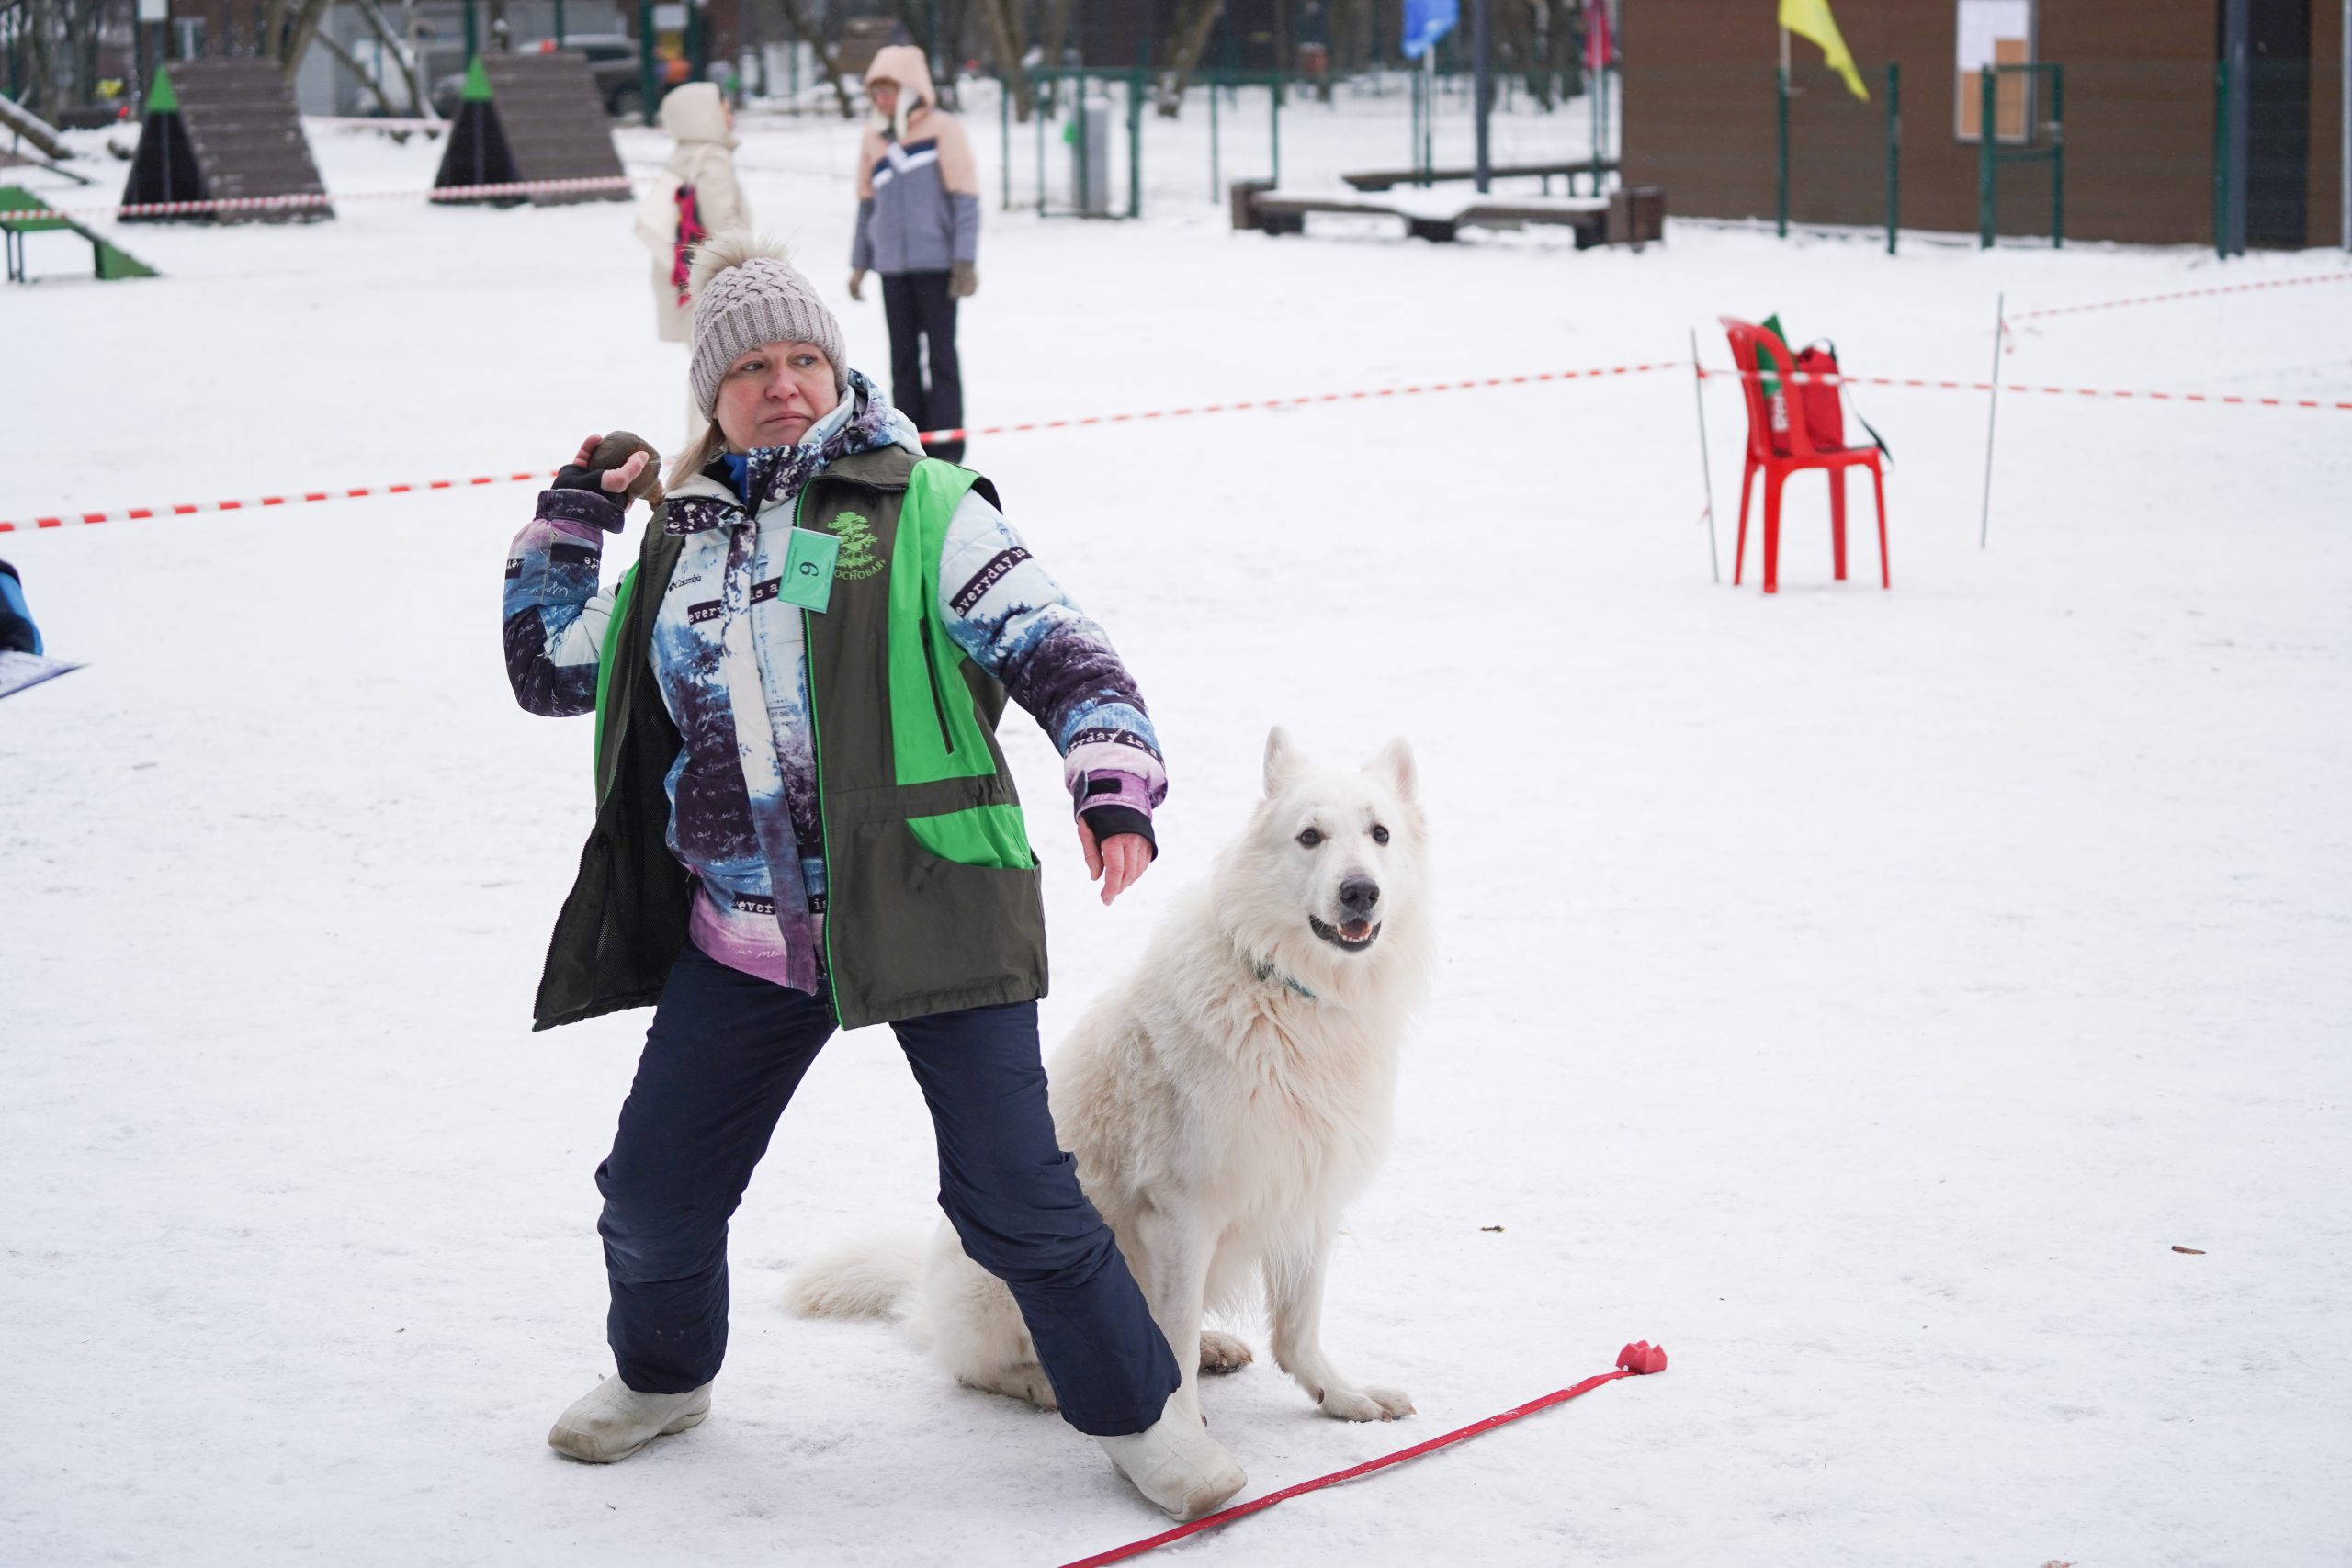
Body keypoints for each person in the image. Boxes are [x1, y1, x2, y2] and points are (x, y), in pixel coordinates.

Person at [500, 233, 1246, 1521]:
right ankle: (665, 1376)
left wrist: (1110, 775)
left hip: (934, 908)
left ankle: (1140, 1409)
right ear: (714, 392)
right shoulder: (684, 544)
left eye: (804, 357)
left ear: (838, 369)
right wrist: (576, 509)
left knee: (1017, 1200)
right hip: (742, 932)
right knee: (653, 1194)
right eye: (751, 366)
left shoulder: (927, 507)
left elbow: (1060, 644)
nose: (782, 383)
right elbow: (553, 668)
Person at [847, 45, 978, 464]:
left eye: (889, 91)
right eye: (876, 92)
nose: (881, 100)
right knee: (901, 355)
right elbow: (867, 204)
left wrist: (964, 259)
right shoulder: (873, 137)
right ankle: (912, 441)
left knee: (941, 354)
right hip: (893, 267)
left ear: (909, 90)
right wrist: (859, 263)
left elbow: (965, 199)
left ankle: (948, 443)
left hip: (937, 264)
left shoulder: (943, 130)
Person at [636, 81, 750, 347]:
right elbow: (723, 224)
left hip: (681, 272)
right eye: (724, 108)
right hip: (711, 275)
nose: (729, 116)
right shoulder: (712, 157)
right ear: (706, 113)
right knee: (720, 366)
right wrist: (748, 264)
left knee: (703, 359)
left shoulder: (683, 155)